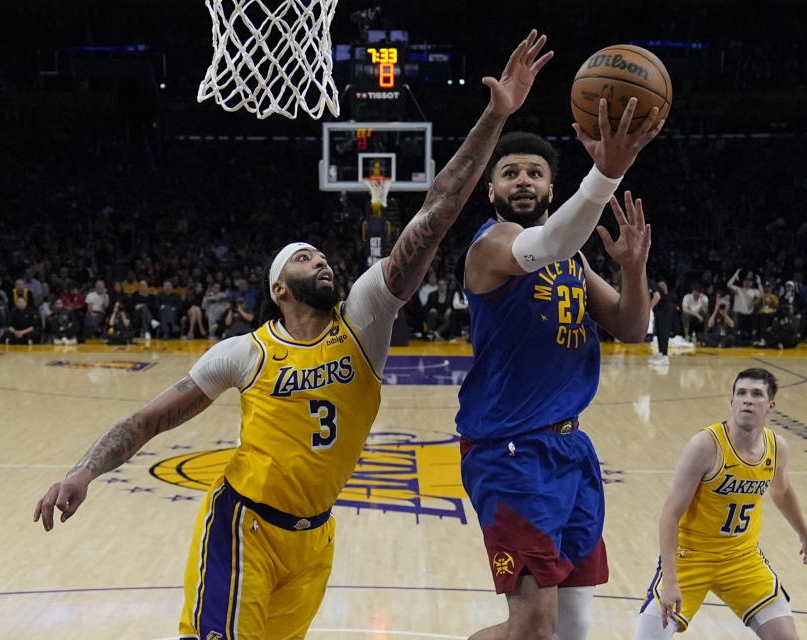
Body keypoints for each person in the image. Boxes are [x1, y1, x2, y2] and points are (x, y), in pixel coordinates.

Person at [33, 30, 554, 640]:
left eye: (322, 255)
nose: (323, 261)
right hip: (242, 524)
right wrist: (82, 473)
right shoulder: (244, 353)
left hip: (314, 541)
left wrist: (495, 117)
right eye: (305, 259)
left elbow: (433, 217)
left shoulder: (362, 320)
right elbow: (149, 421)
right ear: (280, 287)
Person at [455, 89, 664, 638]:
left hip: (570, 450)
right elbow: (543, 244)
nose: (523, 180)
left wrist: (634, 270)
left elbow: (630, 326)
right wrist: (606, 175)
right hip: (510, 450)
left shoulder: (569, 256)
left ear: (550, 187)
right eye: (510, 172)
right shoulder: (491, 246)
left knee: (573, 624)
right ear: (491, 189)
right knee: (532, 629)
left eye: (534, 173)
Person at [632, 368, 807, 640]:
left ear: (770, 406)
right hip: (690, 558)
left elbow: (782, 492)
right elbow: (670, 515)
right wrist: (671, 580)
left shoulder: (777, 448)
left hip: (742, 558)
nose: (747, 400)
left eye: (757, 394)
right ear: (731, 402)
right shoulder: (705, 445)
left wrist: (805, 535)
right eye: (741, 393)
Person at [649, 276, 674, 366]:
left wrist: (649, 309)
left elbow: (657, 297)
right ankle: (660, 353)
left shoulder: (650, 282)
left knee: (664, 332)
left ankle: (665, 356)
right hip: (659, 309)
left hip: (666, 308)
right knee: (659, 331)